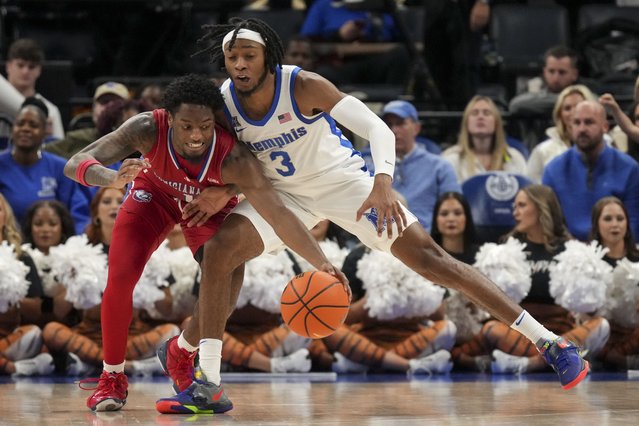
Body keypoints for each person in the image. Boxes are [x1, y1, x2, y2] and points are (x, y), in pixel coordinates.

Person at [156, 18, 591, 414]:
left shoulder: (302, 85)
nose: (239, 64)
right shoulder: (223, 105)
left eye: (248, 55)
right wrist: (224, 191)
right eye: (232, 57)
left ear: (267, 56)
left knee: (434, 262)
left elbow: (377, 128)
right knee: (219, 253)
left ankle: (551, 344)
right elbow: (239, 162)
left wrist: (382, 182)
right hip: (283, 196)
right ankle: (206, 381)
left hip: (346, 184)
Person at [63, 74, 344, 412]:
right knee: (120, 278)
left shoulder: (235, 158)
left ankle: (181, 351)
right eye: (186, 127)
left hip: (205, 207)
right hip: (154, 195)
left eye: (205, 126)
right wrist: (110, 177)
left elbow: (280, 215)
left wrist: (322, 263)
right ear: (168, 119)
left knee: (224, 290)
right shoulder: (146, 127)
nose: (196, 136)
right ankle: (112, 377)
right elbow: (74, 163)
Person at [452, 185, 610, 374]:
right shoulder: (507, 250)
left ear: (540, 208)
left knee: (601, 325)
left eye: (521, 206)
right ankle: (558, 361)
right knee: (492, 329)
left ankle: (529, 364)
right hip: (522, 332)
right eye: (514, 207)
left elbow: (588, 308)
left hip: (561, 333)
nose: (515, 212)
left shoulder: (571, 249)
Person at [42, 187, 180, 377]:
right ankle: (128, 367)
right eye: (107, 201)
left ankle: (95, 366)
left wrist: (148, 287)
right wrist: (72, 281)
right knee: (51, 330)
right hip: (88, 334)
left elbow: (167, 310)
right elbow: (59, 311)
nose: (115, 206)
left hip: (133, 335)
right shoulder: (76, 251)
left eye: (121, 200)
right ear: (96, 213)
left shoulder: (150, 249)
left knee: (171, 330)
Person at [542, 100, 639, 241]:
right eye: (576, 123)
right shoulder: (553, 170)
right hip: (567, 254)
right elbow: (548, 223)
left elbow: (634, 224)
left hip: (618, 252)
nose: (582, 129)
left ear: (605, 126)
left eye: (589, 122)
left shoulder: (629, 168)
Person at [0, 99, 90, 233]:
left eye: (33, 125)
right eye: (20, 124)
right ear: (13, 128)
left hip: (52, 247)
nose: (25, 129)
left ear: (44, 132)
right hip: (7, 245)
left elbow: (78, 214)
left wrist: (72, 246)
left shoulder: (61, 168)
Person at [370, 100, 460, 231]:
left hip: (427, 238)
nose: (394, 130)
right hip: (382, 239)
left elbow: (455, 208)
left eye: (400, 123)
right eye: (389, 124)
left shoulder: (439, 167)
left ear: (416, 128)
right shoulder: (372, 168)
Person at [0, 193, 53, 376]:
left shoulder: (21, 256)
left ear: (5, 215)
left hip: (10, 336)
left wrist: (10, 297)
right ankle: (17, 368)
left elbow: (36, 311)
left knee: (34, 333)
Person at [589, 197, 639, 371]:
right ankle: (615, 359)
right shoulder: (587, 261)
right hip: (601, 332)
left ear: (627, 222)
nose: (615, 224)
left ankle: (621, 359)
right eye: (608, 219)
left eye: (620, 218)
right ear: (597, 224)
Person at [442, 95, 527, 183]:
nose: (480, 117)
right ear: (466, 123)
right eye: (474, 113)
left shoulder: (513, 158)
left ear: (496, 123)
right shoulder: (452, 159)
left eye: (486, 113)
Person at [508, 45, 581, 146]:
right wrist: (566, 100)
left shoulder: (584, 94)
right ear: (544, 72)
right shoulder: (534, 97)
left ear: (574, 74)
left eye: (562, 72)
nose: (555, 78)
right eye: (551, 71)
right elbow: (515, 105)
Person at [526, 85, 596, 183]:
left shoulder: (606, 144)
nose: (574, 112)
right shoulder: (543, 151)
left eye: (579, 106)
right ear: (560, 114)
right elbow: (531, 188)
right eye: (567, 108)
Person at [44, 82, 131, 160]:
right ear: (93, 109)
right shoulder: (76, 138)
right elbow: (42, 152)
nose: (109, 108)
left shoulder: (135, 144)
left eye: (116, 104)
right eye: (104, 102)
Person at [4, 38, 64, 141]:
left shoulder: (51, 111)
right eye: (20, 65)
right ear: (8, 66)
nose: (25, 71)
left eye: (31, 67)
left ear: (39, 70)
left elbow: (58, 149)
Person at [430, 191, 479, 265]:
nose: (451, 219)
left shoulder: (482, 256)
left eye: (457, 213)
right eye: (444, 214)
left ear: (467, 218)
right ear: (435, 220)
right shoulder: (428, 257)